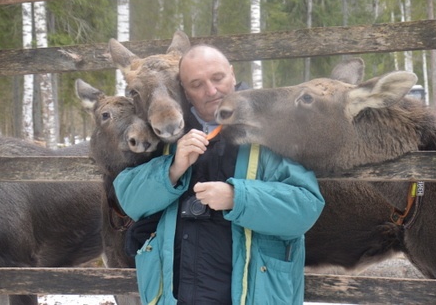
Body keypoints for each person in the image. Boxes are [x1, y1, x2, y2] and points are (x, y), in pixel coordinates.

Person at [113, 44, 325, 305]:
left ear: (233, 75)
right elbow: (130, 200)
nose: (211, 91)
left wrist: (238, 198)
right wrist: (172, 169)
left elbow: (305, 208)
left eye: (218, 78)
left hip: (255, 296)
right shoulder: (162, 132)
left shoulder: (272, 128)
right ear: (185, 91)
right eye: (197, 84)